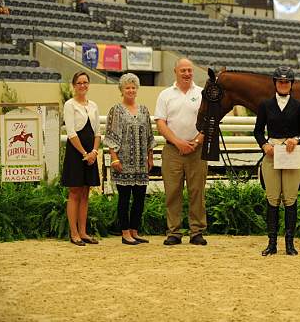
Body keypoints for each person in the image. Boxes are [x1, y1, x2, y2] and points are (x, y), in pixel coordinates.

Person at [253, 66, 300, 256]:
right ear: (275, 84)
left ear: (291, 84)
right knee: (272, 198)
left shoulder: (299, 105)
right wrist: (264, 145)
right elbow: (258, 130)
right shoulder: (265, 105)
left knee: (290, 199)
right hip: (272, 152)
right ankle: (271, 243)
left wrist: (297, 139)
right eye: (280, 82)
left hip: (291, 154)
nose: (283, 85)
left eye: (286, 82)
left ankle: (289, 243)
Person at [155, 58, 208, 246]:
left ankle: (197, 231)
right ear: (175, 71)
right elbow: (160, 122)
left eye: (189, 70)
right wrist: (178, 143)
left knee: (197, 192)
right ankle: (174, 232)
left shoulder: (202, 94)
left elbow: (209, 121)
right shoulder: (165, 95)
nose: (187, 73)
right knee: (172, 192)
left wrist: (196, 141)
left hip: (197, 150)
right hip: (172, 150)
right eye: (183, 70)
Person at [104, 73, 156, 245]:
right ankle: (125, 233)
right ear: (122, 90)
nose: (131, 90)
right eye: (127, 87)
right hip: (123, 162)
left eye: (133, 87)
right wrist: (114, 158)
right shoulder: (116, 110)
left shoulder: (144, 110)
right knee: (124, 199)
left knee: (140, 199)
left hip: (141, 163)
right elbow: (110, 135)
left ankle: (135, 231)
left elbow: (149, 135)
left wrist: (150, 157)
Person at [61, 71, 101, 246]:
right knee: (75, 192)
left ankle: (84, 232)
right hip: (76, 153)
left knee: (86, 192)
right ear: (74, 85)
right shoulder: (70, 105)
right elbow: (71, 133)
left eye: (85, 82)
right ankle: (74, 233)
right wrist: (84, 153)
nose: (82, 85)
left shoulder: (93, 105)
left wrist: (93, 152)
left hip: (91, 153)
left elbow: (98, 132)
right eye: (79, 83)